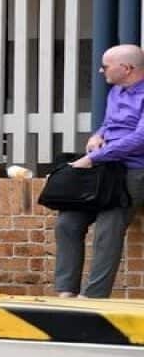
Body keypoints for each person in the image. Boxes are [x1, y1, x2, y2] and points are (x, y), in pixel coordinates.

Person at [55, 44, 144, 298]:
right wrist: (98, 135)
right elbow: (109, 123)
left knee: (109, 228)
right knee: (68, 223)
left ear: (126, 68)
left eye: (105, 66)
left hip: (132, 170)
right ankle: (66, 291)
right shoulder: (116, 91)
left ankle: (93, 296)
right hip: (104, 168)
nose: (100, 70)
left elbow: (140, 138)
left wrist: (94, 157)